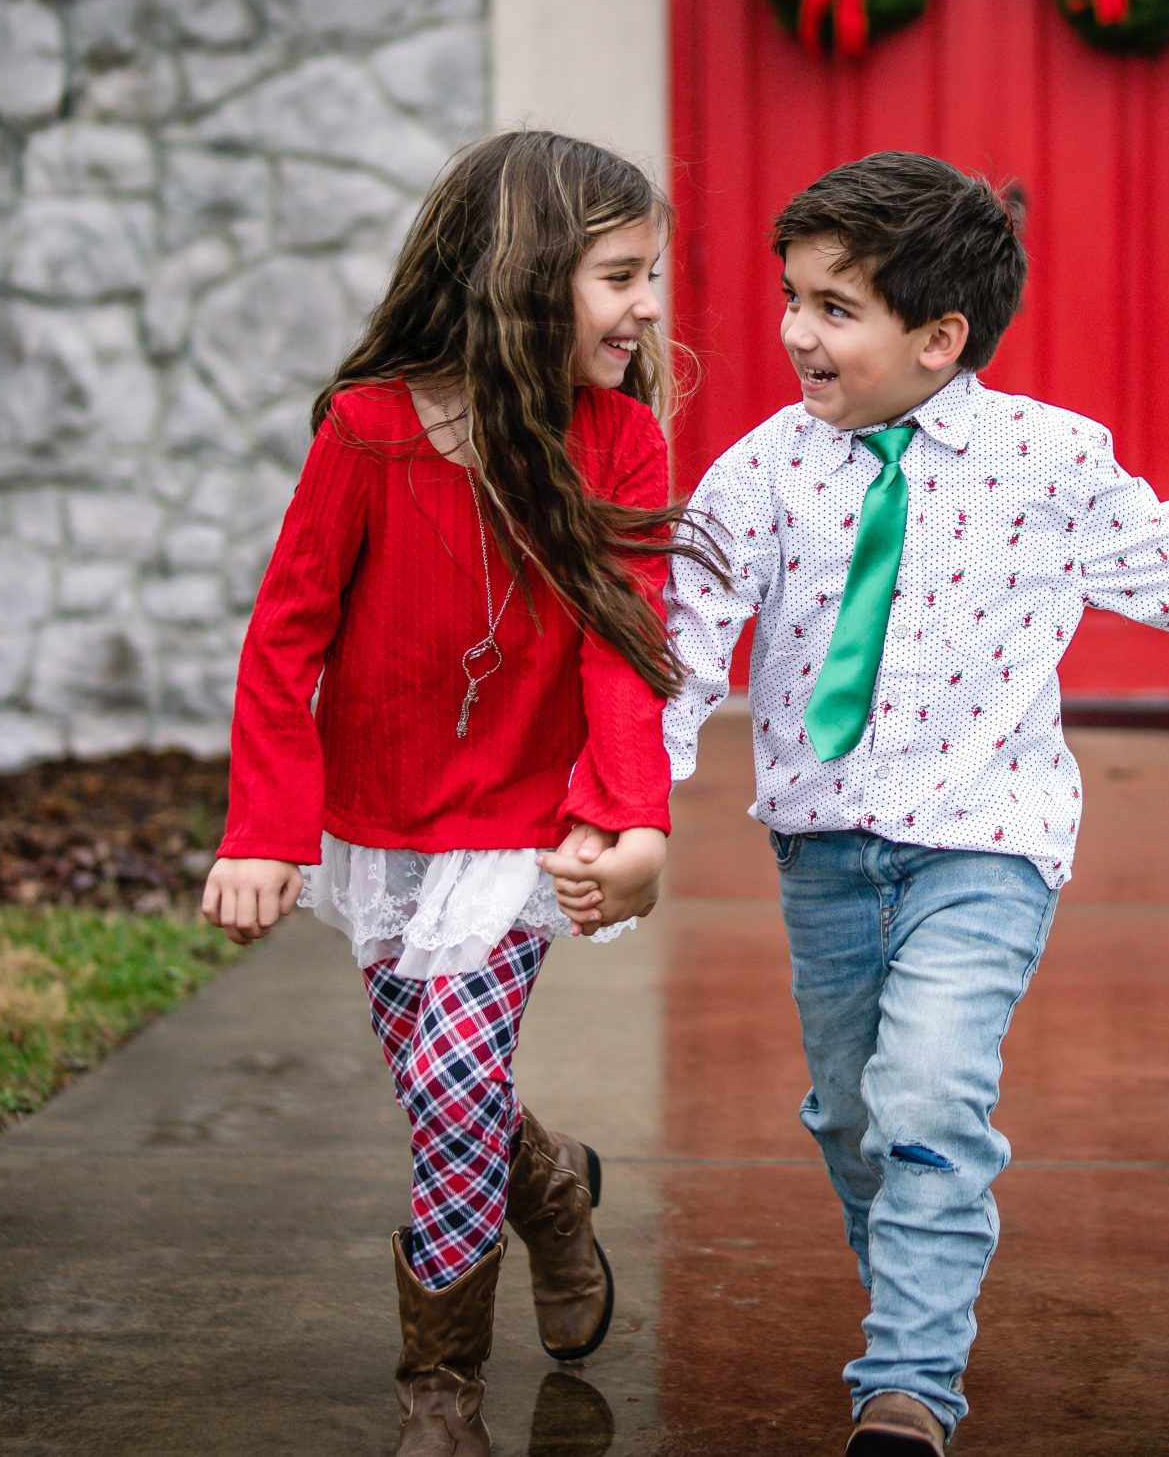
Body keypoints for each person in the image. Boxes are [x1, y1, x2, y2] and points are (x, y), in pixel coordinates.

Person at [641, 151, 1169, 1455]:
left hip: (985, 841)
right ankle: (910, 1299)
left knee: (931, 1098)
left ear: (939, 337)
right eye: (792, 299)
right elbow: (687, 641)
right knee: (855, 1114)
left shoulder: (1044, 460)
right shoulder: (760, 472)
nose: (795, 333)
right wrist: (634, 807)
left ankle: (908, 1386)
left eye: (835, 308)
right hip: (824, 846)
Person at [202, 130, 710, 1457]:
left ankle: (439, 1394)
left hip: (521, 828)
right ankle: (548, 1187)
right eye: (619, 277)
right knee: (451, 1093)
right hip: (381, 822)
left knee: (448, 1082)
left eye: (650, 277)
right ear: (527, 275)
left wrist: (634, 823)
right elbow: (288, 634)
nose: (646, 309)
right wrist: (263, 832)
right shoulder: (368, 432)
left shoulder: (619, 441)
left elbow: (627, 644)